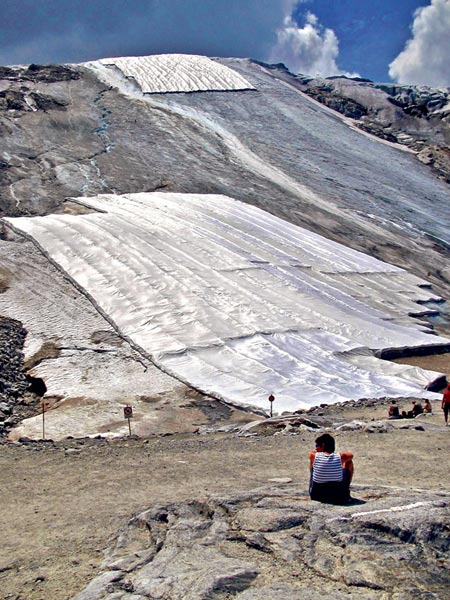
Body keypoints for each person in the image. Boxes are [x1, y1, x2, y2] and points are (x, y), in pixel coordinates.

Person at [309, 433, 353, 505]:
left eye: (317, 446)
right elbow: (350, 455)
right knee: (349, 462)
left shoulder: (314, 455)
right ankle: (345, 490)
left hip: (316, 495)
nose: (316, 448)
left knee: (313, 463)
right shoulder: (340, 456)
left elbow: (311, 453)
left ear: (323, 445)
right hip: (336, 496)